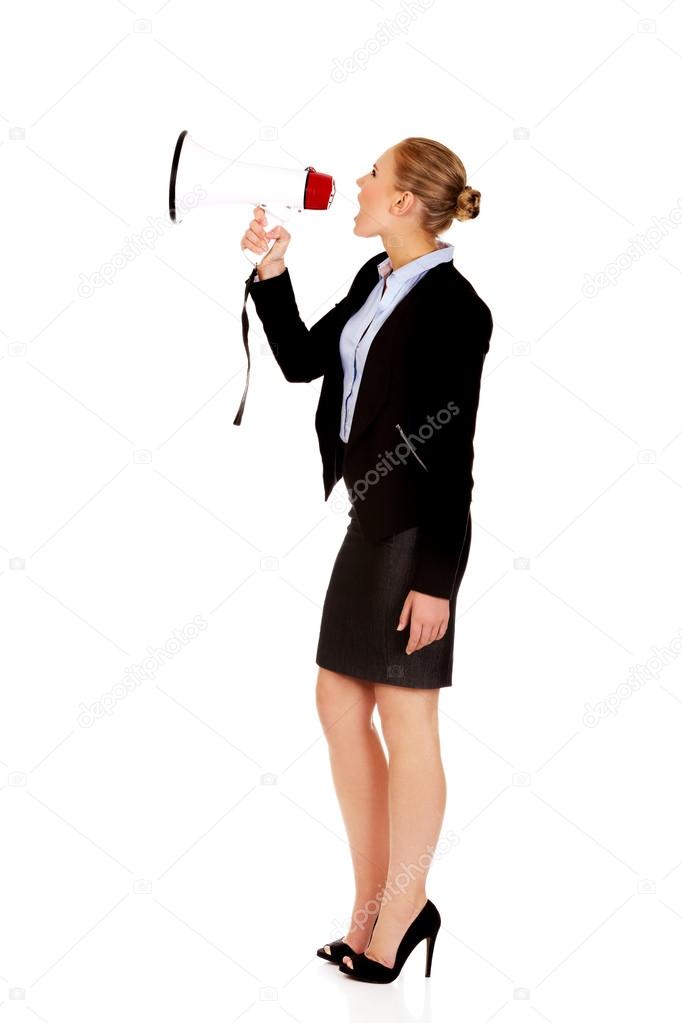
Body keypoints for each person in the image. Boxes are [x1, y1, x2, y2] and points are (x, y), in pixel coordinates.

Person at [241, 137, 493, 984]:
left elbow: (454, 454)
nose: (356, 183)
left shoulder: (458, 309)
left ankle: (399, 909)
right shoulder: (372, 280)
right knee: (339, 699)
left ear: (405, 203)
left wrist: (438, 580)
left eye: (372, 176)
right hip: (367, 517)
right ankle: (378, 901)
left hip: (415, 531)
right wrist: (273, 272)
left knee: (405, 715)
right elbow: (301, 362)